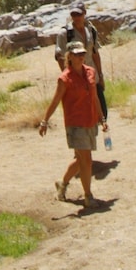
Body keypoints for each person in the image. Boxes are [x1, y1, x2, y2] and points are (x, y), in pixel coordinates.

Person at [39, 41, 108, 208]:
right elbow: (55, 100)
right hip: (75, 124)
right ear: (69, 56)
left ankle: (62, 183)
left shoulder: (90, 72)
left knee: (80, 160)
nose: (81, 57)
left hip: (90, 120)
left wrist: (102, 119)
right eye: (77, 54)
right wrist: (44, 121)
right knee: (87, 160)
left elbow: (95, 97)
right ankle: (88, 196)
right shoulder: (65, 78)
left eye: (82, 53)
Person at [55, 3, 108, 122]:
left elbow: (95, 53)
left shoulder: (91, 30)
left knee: (102, 112)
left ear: (84, 14)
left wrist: (100, 76)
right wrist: (68, 77)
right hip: (76, 78)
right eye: (73, 14)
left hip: (92, 77)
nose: (76, 17)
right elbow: (60, 57)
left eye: (78, 14)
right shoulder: (65, 34)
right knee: (84, 113)